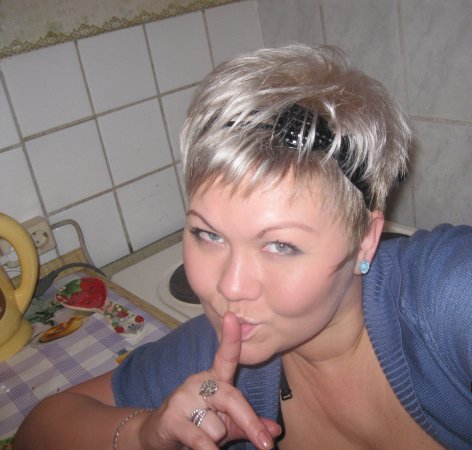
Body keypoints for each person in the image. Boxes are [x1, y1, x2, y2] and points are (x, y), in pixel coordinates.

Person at [14, 44, 471, 450]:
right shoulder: (222, 355)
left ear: (365, 240)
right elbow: (37, 430)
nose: (229, 288)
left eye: (281, 246)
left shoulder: (450, 301)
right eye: (208, 235)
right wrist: (143, 433)